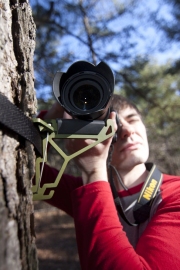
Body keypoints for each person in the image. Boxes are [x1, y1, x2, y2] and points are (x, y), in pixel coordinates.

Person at [38, 94, 180, 270]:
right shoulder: (84, 191)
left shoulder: (176, 193)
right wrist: (53, 115)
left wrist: (93, 170)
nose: (127, 130)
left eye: (132, 119)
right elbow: (28, 172)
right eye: (113, 125)